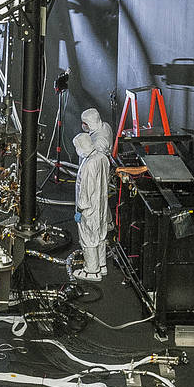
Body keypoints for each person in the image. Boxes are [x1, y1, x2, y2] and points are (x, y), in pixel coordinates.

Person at [74, 107, 112, 280]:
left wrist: (80, 210)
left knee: (89, 237)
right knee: (100, 234)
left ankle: (92, 270)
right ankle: (102, 265)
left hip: (89, 207)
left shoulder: (89, 164)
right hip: (102, 202)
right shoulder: (101, 158)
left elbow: (85, 190)